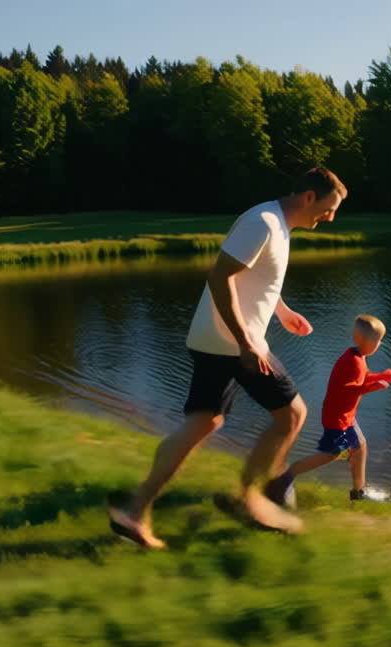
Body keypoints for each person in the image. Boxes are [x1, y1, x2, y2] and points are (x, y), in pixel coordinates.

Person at [107, 168, 347, 548]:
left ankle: (134, 512)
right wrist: (247, 343)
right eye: (329, 208)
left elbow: (255, 278)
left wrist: (281, 311)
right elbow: (220, 276)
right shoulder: (264, 223)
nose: (330, 217)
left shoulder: (275, 222)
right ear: (308, 198)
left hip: (211, 340)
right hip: (234, 344)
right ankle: (248, 499)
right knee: (292, 415)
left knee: (202, 424)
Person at [264, 314, 391, 506]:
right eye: (378, 340)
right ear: (364, 341)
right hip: (337, 419)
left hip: (347, 417)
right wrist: (373, 387)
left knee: (359, 446)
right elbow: (349, 390)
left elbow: (363, 378)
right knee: (332, 454)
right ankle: (286, 476)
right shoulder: (351, 361)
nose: (379, 344)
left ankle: (358, 492)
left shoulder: (358, 356)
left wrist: (379, 377)